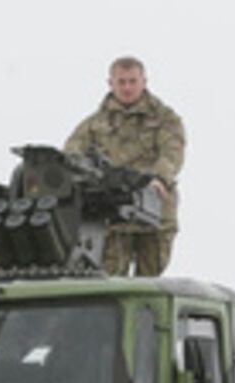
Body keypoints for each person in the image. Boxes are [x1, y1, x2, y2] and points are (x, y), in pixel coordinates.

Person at [64, 56, 186, 277]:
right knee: (108, 282)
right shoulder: (94, 124)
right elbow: (72, 154)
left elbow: (172, 153)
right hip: (114, 216)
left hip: (155, 213)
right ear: (111, 84)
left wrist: (159, 179)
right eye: (121, 82)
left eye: (132, 81)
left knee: (150, 281)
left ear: (144, 82)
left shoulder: (165, 119)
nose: (127, 88)